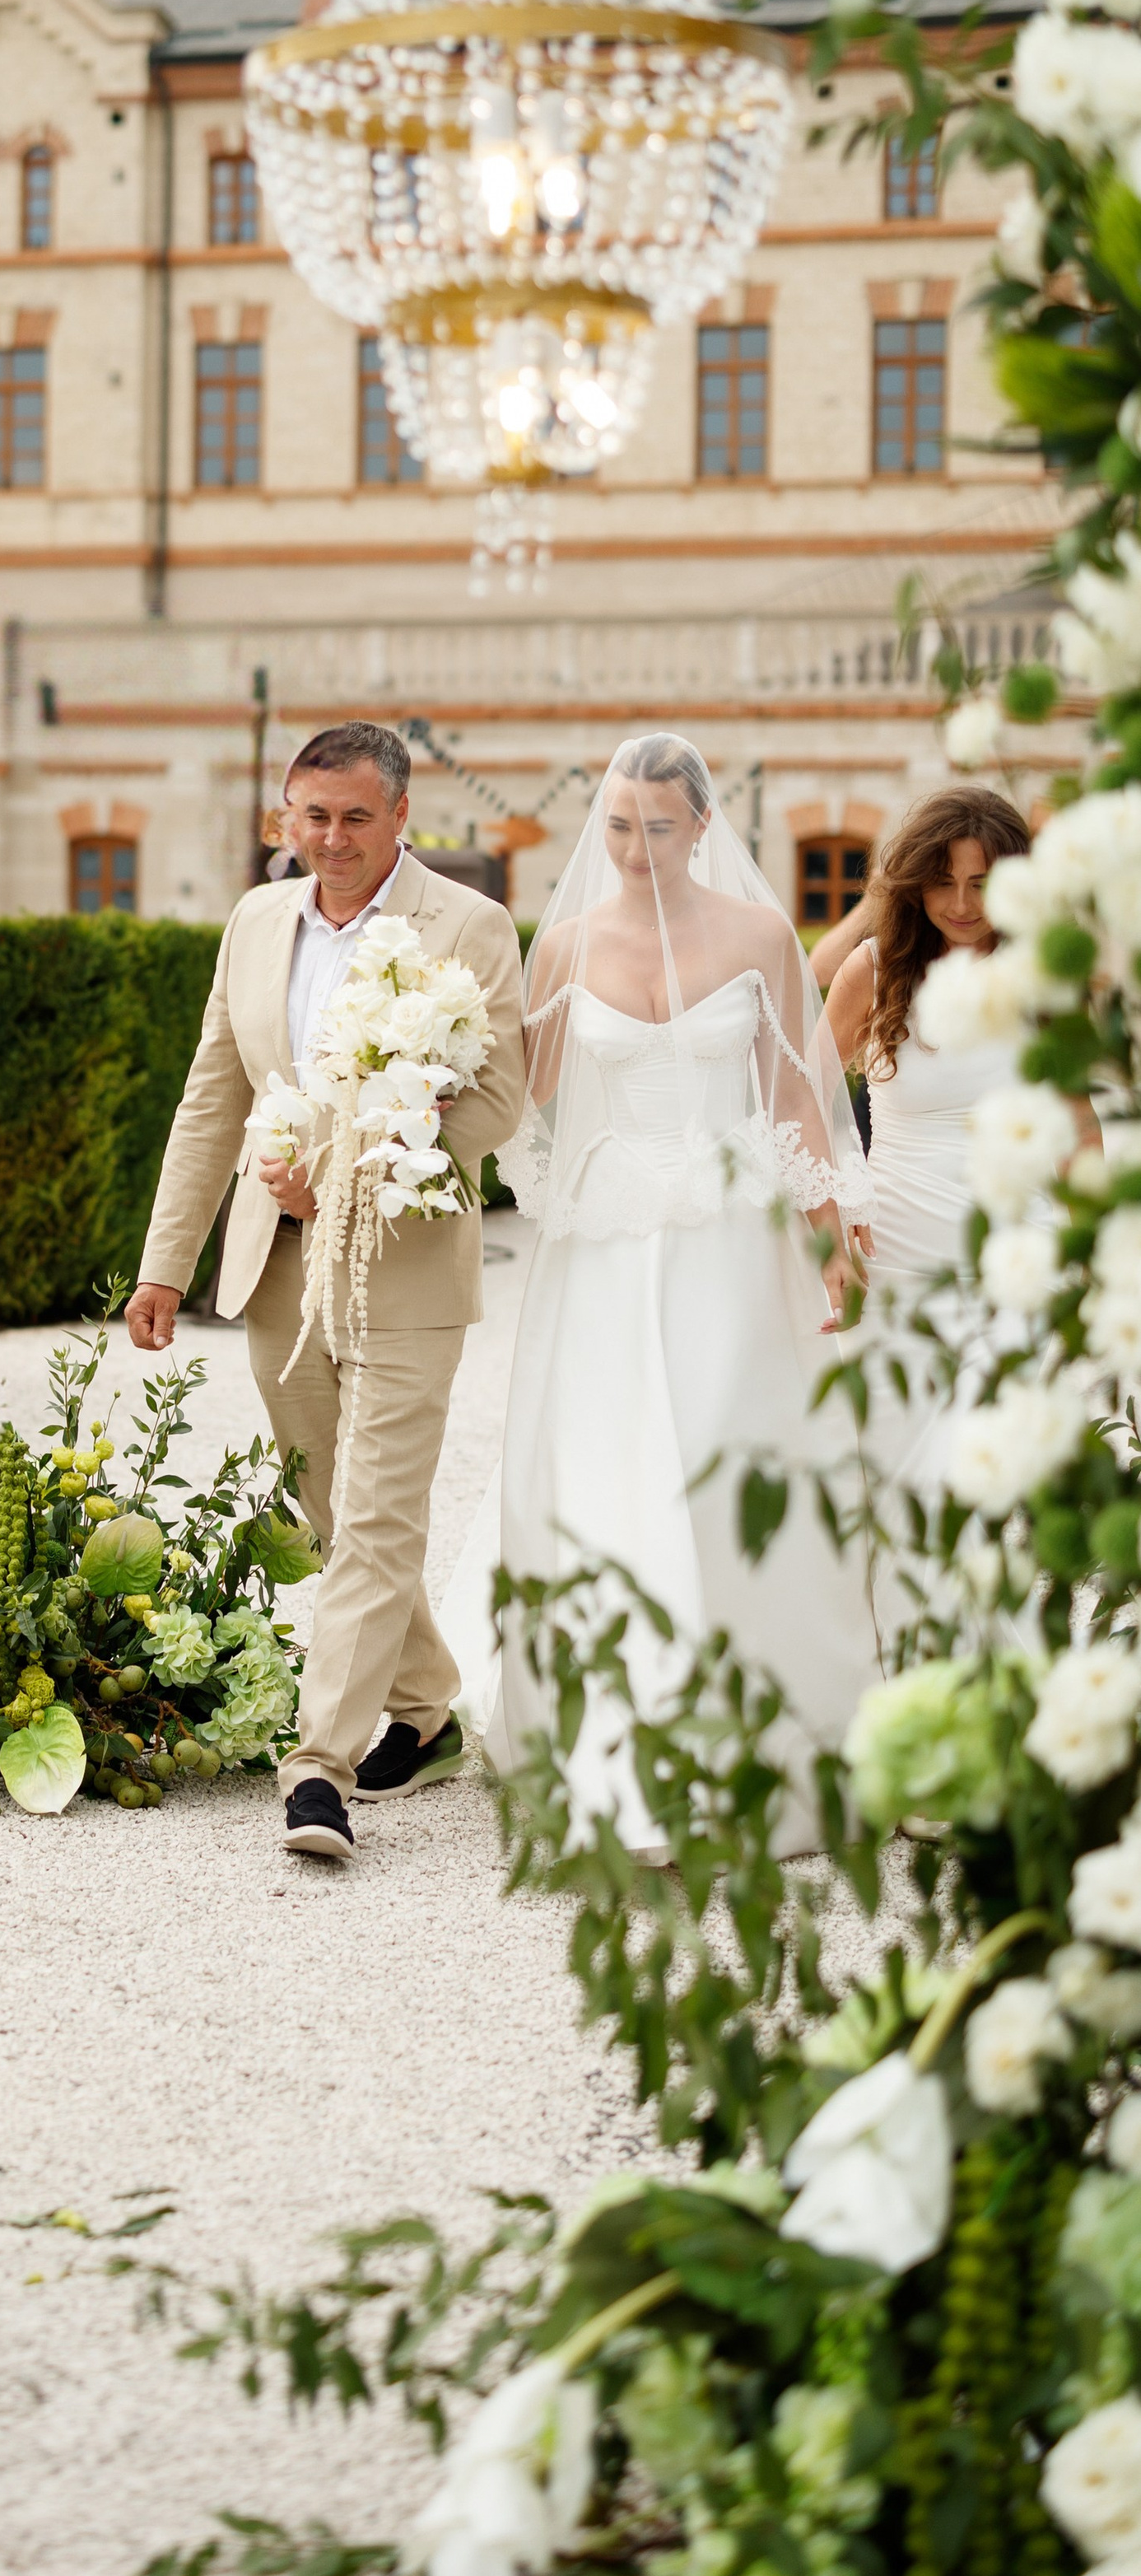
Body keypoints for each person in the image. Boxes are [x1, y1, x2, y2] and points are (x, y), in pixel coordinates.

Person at [436, 734, 877, 1855]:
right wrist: (419, 1073)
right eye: (621, 827)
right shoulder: (565, 944)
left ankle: (754, 1734)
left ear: (703, 826)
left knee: (727, 1448)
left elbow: (792, 1096)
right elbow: (520, 1092)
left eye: (660, 827)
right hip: (604, 1242)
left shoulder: (761, 936)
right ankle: (614, 1742)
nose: (637, 849)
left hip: (731, 1237)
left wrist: (830, 1237)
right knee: (609, 1459)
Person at [125, 721, 527, 1863]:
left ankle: (319, 1771)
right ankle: (427, 1709)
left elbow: (497, 1104)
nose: (334, 838)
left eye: (356, 816)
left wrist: (350, 1163)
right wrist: (165, 1263)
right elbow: (214, 1095)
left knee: (382, 1511)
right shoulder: (256, 921)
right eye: (314, 816)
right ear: (284, 817)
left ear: (401, 815)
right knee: (330, 1511)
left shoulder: (471, 926)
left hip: (407, 1257)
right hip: (277, 1262)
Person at [820, 786, 1032, 1286]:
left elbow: (1079, 1126)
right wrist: (837, 1200)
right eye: (942, 882)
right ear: (916, 885)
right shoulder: (874, 969)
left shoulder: (1042, 978)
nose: (961, 904)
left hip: (1021, 1255)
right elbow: (800, 1097)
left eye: (981, 884)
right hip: (891, 1248)